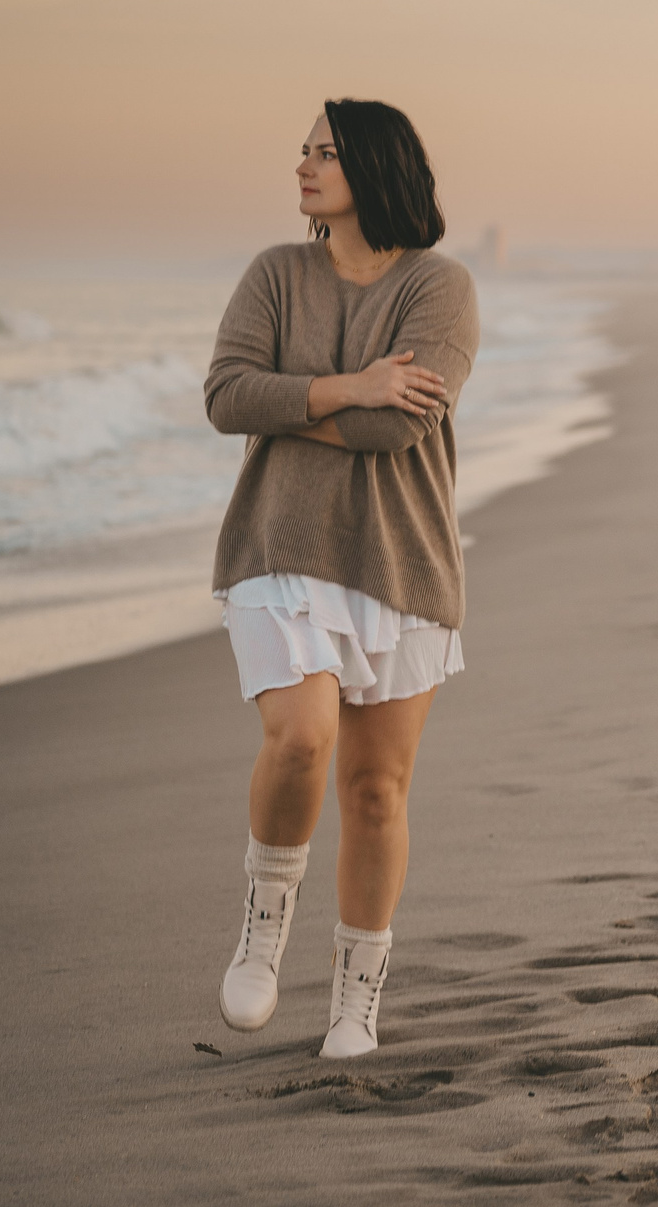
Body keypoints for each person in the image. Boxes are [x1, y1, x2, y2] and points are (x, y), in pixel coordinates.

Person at [200, 99, 479, 1058]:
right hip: (278, 545)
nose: (304, 165)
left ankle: (356, 999)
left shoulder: (441, 288)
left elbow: (394, 426)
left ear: (376, 165)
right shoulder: (275, 275)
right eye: (303, 150)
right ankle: (264, 926)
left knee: (375, 792)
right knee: (302, 737)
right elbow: (225, 395)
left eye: (325, 151)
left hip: (401, 561)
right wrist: (353, 384)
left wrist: (299, 405)